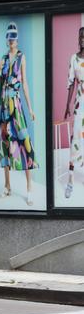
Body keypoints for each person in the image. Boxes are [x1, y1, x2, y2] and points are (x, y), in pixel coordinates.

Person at [0, 22, 37, 206]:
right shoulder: (4, 59)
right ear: (7, 39)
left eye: (14, 37)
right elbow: (2, 82)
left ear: (17, 39)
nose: (12, 40)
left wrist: (30, 108)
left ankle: (29, 187)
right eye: (9, 37)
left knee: (24, 141)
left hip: (17, 105)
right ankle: (7, 186)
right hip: (4, 106)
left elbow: (25, 83)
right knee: (5, 143)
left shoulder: (21, 57)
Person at [63, 27, 84, 199]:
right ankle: (70, 180)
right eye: (81, 36)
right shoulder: (74, 59)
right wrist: (67, 105)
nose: (83, 39)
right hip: (80, 105)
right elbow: (71, 83)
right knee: (75, 140)